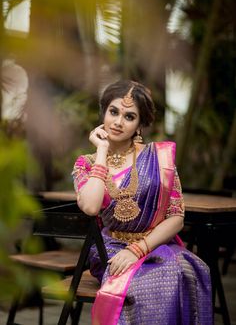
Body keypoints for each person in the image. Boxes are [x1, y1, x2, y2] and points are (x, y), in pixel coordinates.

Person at [72, 80, 213, 325]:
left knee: (189, 270)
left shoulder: (159, 158)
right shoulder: (87, 163)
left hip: (155, 244)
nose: (118, 122)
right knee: (156, 279)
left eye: (129, 116)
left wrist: (137, 250)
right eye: (113, 112)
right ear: (104, 112)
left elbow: (177, 217)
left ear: (139, 124)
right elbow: (91, 207)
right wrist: (102, 151)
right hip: (110, 250)